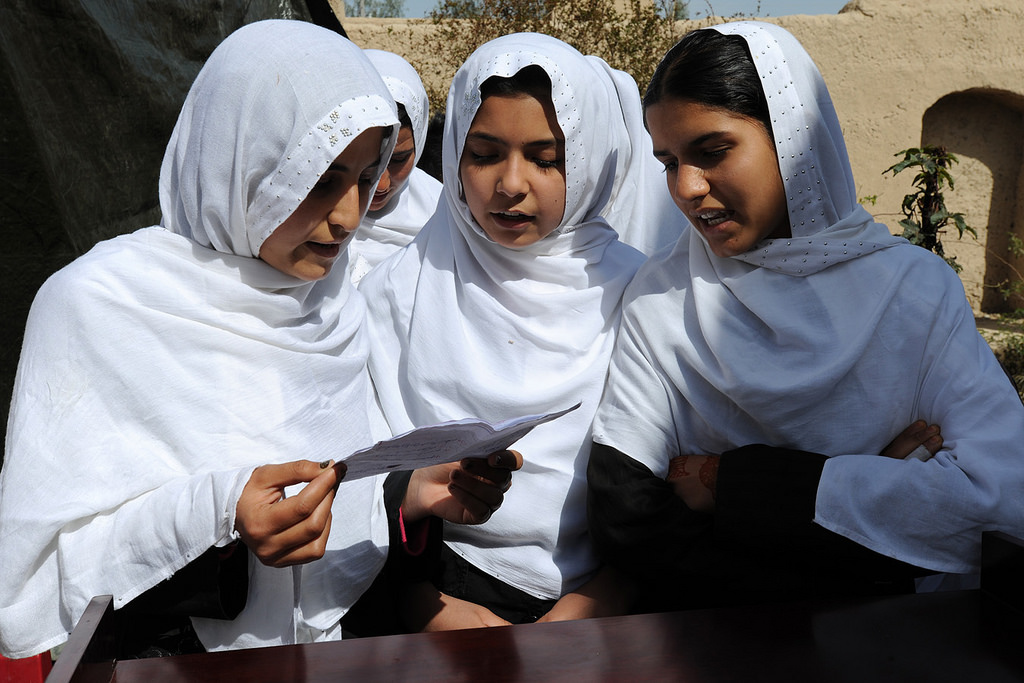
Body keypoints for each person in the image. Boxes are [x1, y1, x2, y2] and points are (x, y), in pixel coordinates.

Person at [0, 20, 519, 660]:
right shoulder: (98, 307)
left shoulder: (331, 304)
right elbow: (36, 573)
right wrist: (220, 513)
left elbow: (323, 484)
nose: (349, 217)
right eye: (321, 179)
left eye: (365, 178)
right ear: (241, 160)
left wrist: (411, 493)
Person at [587, 21, 1024, 612]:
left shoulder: (912, 293)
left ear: (793, 140)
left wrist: (728, 484)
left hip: (889, 640)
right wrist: (863, 488)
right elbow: (630, 517)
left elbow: (997, 503)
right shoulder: (661, 297)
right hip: (715, 637)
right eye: (668, 161)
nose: (686, 187)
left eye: (713, 152)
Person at [359, 33, 654, 629]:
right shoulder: (397, 291)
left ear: (590, 159)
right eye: (485, 153)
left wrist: (583, 616)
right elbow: (362, 479)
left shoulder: (640, 296)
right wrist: (426, 607)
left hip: (604, 607)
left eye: (547, 159)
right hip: (424, 588)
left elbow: (659, 490)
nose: (511, 184)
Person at [347, 49, 443, 284]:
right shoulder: (303, 213)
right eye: (367, 163)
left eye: (399, 160)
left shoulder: (443, 216)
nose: (381, 183)